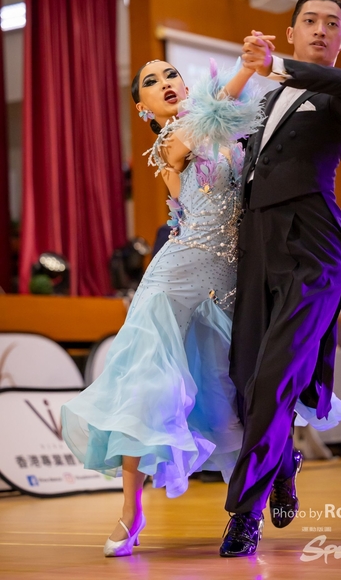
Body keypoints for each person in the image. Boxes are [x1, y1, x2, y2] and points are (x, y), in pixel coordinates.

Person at [61, 58, 264, 557]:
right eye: (151, 82)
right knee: (146, 390)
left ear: (187, 85)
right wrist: (245, 70)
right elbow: (203, 122)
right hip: (173, 281)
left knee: (224, 397)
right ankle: (131, 512)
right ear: (142, 108)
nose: (165, 83)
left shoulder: (229, 138)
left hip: (226, 284)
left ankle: (250, 506)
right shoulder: (170, 141)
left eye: (171, 74)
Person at [220, 0, 341, 557]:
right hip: (257, 246)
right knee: (244, 383)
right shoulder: (264, 103)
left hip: (313, 250)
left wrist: (273, 63)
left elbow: (337, 84)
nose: (320, 29)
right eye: (309, 20)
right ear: (291, 31)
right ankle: (284, 464)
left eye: (332, 24)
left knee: (274, 378)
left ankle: (244, 515)